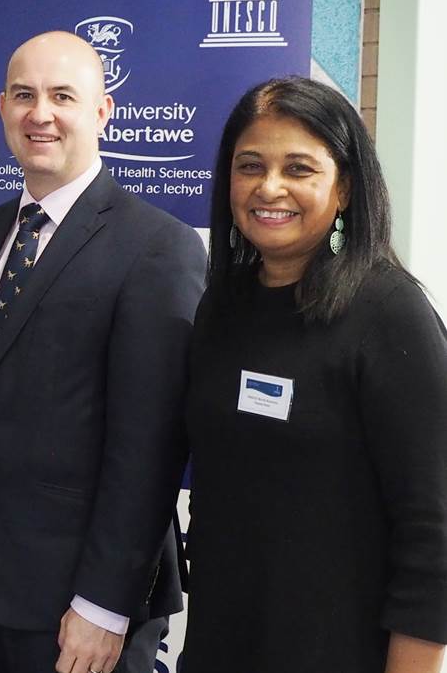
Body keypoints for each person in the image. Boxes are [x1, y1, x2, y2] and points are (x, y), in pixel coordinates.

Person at [0, 31, 204, 673]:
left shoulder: (158, 248)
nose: (40, 114)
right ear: (1, 108)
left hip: (78, 611)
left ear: (103, 111)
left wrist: (104, 606)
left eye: (62, 96)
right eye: (24, 96)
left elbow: (150, 448)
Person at [180, 76, 447, 673]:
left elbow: (433, 533)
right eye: (250, 165)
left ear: (345, 187)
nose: (269, 187)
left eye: (299, 169)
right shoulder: (223, 307)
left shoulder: (390, 314)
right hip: (222, 643)